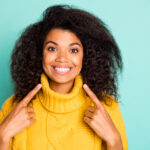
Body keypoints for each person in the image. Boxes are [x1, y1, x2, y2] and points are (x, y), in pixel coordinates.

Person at [0, 5, 128, 150]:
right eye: (52, 48)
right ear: (39, 54)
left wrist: (114, 140)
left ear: (86, 57)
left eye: (73, 50)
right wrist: (3, 135)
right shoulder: (13, 107)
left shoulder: (107, 108)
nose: (62, 58)